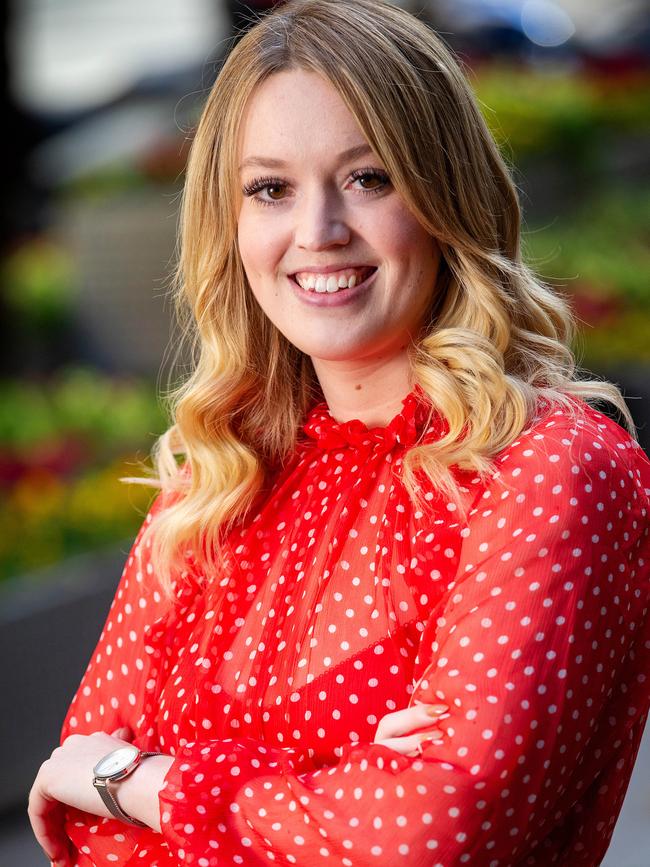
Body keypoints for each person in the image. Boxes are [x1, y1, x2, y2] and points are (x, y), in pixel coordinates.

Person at [28, 1, 650, 865]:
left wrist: (148, 781)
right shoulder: (217, 476)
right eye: (271, 188)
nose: (317, 233)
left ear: (445, 196)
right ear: (231, 221)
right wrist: (332, 777)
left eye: (369, 178)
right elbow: (79, 811)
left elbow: (427, 832)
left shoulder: (546, 469)